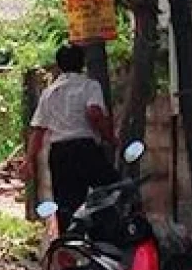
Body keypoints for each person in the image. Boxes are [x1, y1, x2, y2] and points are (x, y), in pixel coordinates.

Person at [21, 44, 119, 231]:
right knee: (112, 191)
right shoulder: (89, 86)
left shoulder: (49, 92)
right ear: (82, 63)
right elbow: (94, 113)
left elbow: (38, 130)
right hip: (85, 149)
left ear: (59, 65)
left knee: (66, 205)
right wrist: (109, 137)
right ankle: (109, 235)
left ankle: (69, 247)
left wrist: (29, 160)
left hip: (60, 154)